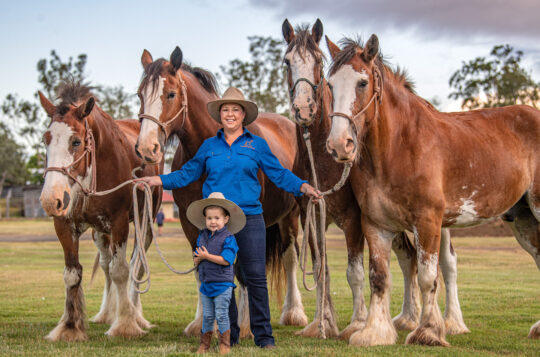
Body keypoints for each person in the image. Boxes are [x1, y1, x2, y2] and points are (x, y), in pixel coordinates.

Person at [136, 87, 321, 349]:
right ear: (219, 115)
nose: (230, 114)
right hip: (221, 222)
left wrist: (302, 186)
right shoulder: (209, 146)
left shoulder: (255, 144)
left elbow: (278, 173)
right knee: (224, 280)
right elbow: (188, 172)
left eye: (236, 109)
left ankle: (264, 337)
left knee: (256, 278)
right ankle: (229, 335)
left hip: (251, 217)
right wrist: (158, 179)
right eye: (226, 110)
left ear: (243, 114)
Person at [187, 192, 244, 354]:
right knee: (207, 316)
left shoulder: (229, 239)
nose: (213, 222)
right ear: (205, 219)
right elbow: (199, 254)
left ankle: (224, 344)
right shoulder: (202, 236)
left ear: (225, 219)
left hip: (222, 284)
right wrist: (198, 259)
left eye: (217, 218)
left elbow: (227, 260)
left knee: (221, 314)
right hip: (206, 283)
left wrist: (206, 256)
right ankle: (204, 344)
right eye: (209, 218)